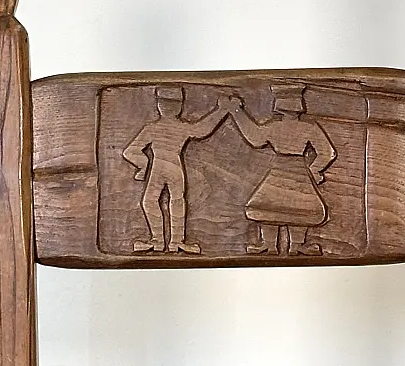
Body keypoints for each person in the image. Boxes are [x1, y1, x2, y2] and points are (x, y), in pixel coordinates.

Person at [121, 86, 235, 254]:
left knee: (156, 201)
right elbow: (202, 129)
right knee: (174, 201)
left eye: (171, 103)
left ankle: (162, 241)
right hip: (172, 166)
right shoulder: (175, 127)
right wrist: (221, 110)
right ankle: (173, 241)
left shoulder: (154, 128)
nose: (169, 107)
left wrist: (143, 164)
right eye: (169, 103)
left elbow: (130, 151)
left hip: (159, 166)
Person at [227, 88, 337, 255]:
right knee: (298, 206)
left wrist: (237, 112)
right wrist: (314, 169)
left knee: (270, 204)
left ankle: (270, 245)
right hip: (298, 171)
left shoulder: (276, 126)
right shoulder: (309, 128)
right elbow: (327, 153)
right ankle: (295, 246)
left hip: (280, 169)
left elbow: (254, 137)